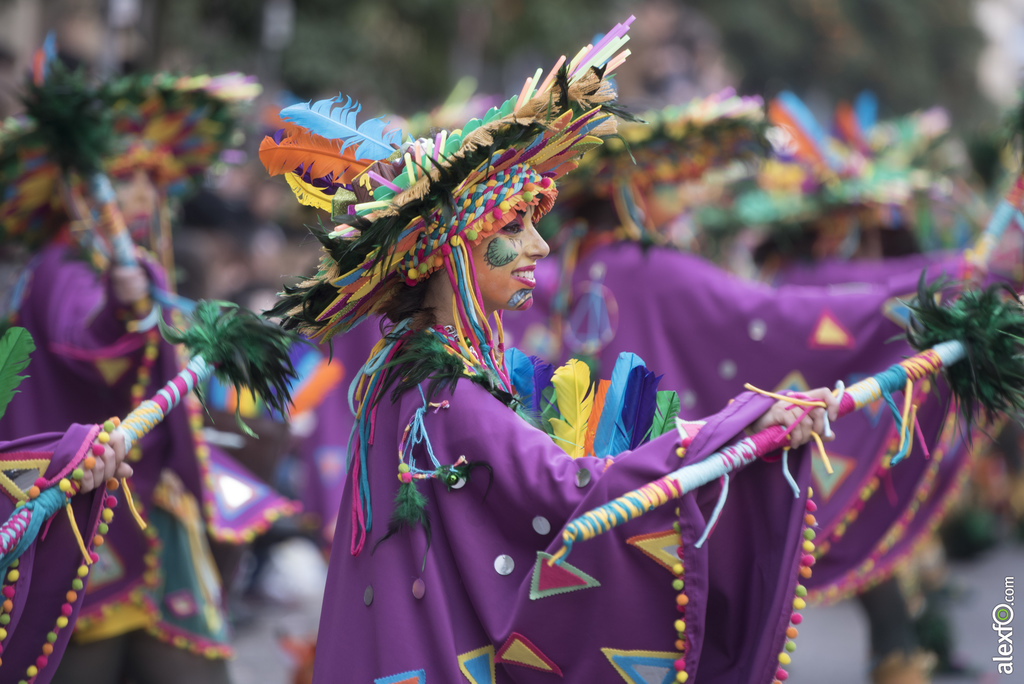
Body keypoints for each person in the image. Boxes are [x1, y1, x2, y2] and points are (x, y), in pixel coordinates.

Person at [262, 22, 842, 683]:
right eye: (513, 227)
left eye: (536, 224)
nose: (539, 246)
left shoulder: (429, 360)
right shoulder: (440, 381)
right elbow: (564, 490)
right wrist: (731, 431)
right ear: (454, 251)